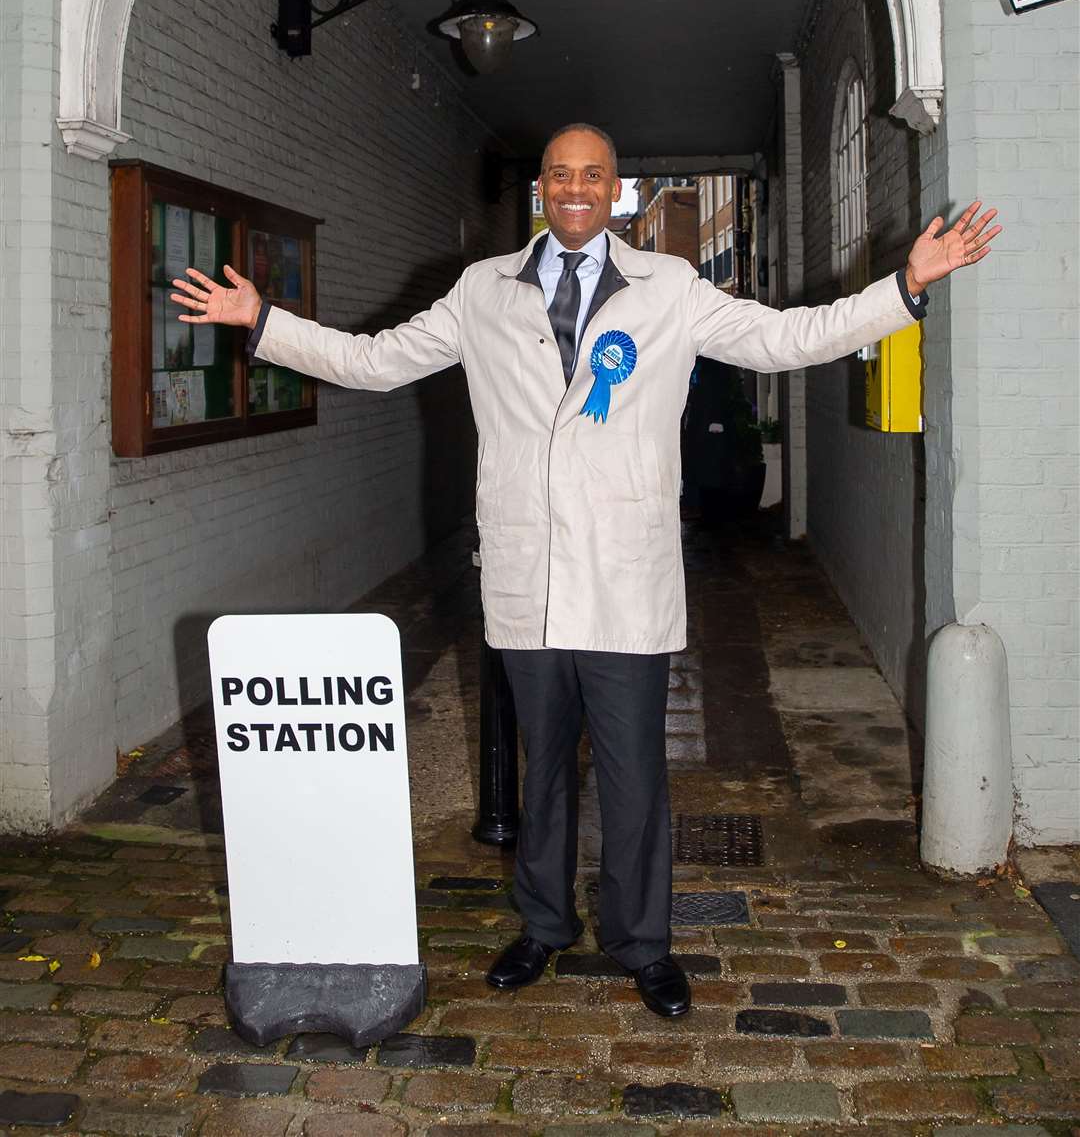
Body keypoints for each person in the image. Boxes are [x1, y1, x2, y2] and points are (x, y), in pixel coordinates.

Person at [172, 124, 1000, 1017]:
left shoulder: (671, 288)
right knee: (541, 771)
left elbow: (786, 337)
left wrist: (904, 288)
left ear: (617, 192)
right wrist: (263, 321)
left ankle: (645, 943)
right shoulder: (480, 291)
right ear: (541, 188)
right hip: (529, 575)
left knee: (636, 770)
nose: (575, 189)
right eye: (560, 175)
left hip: (626, 577)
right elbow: (375, 361)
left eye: (592, 176)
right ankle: (542, 925)